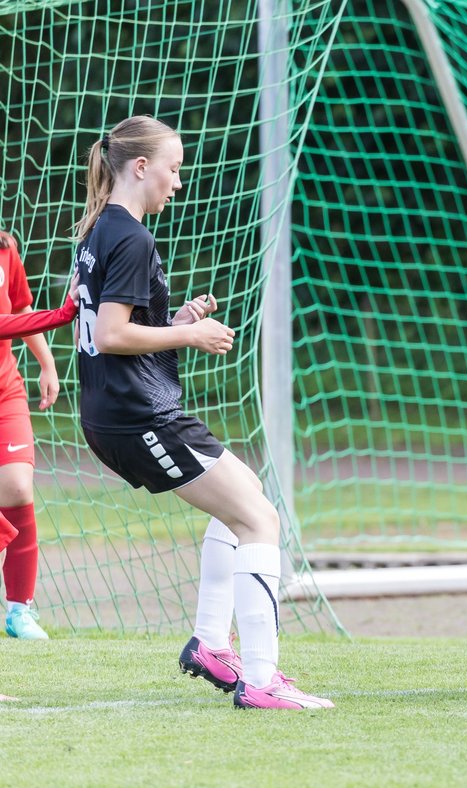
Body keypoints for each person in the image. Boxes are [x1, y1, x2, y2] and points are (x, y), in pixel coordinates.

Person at [72, 115, 331, 709]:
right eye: (173, 168)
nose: (178, 181)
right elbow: (111, 335)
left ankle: (213, 644)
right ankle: (261, 682)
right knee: (260, 523)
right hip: (139, 416)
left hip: (123, 411)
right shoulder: (131, 236)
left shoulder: (101, 229)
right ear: (141, 168)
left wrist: (175, 321)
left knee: (249, 498)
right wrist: (190, 338)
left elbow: (116, 326)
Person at [0, 231, 79, 639]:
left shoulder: (5, 248)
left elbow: (18, 308)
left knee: (17, 486)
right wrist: (64, 313)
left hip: (5, 391)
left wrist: (46, 362)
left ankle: (18, 610)